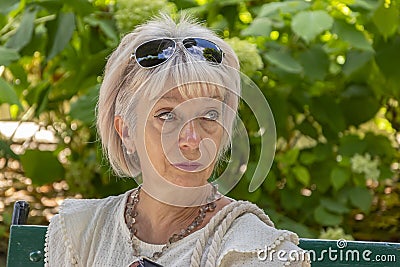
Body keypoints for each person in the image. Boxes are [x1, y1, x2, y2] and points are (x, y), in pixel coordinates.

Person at [44, 14, 310, 267]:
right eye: (167, 115)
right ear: (126, 132)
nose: (192, 141)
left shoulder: (252, 250)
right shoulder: (80, 231)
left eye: (209, 115)